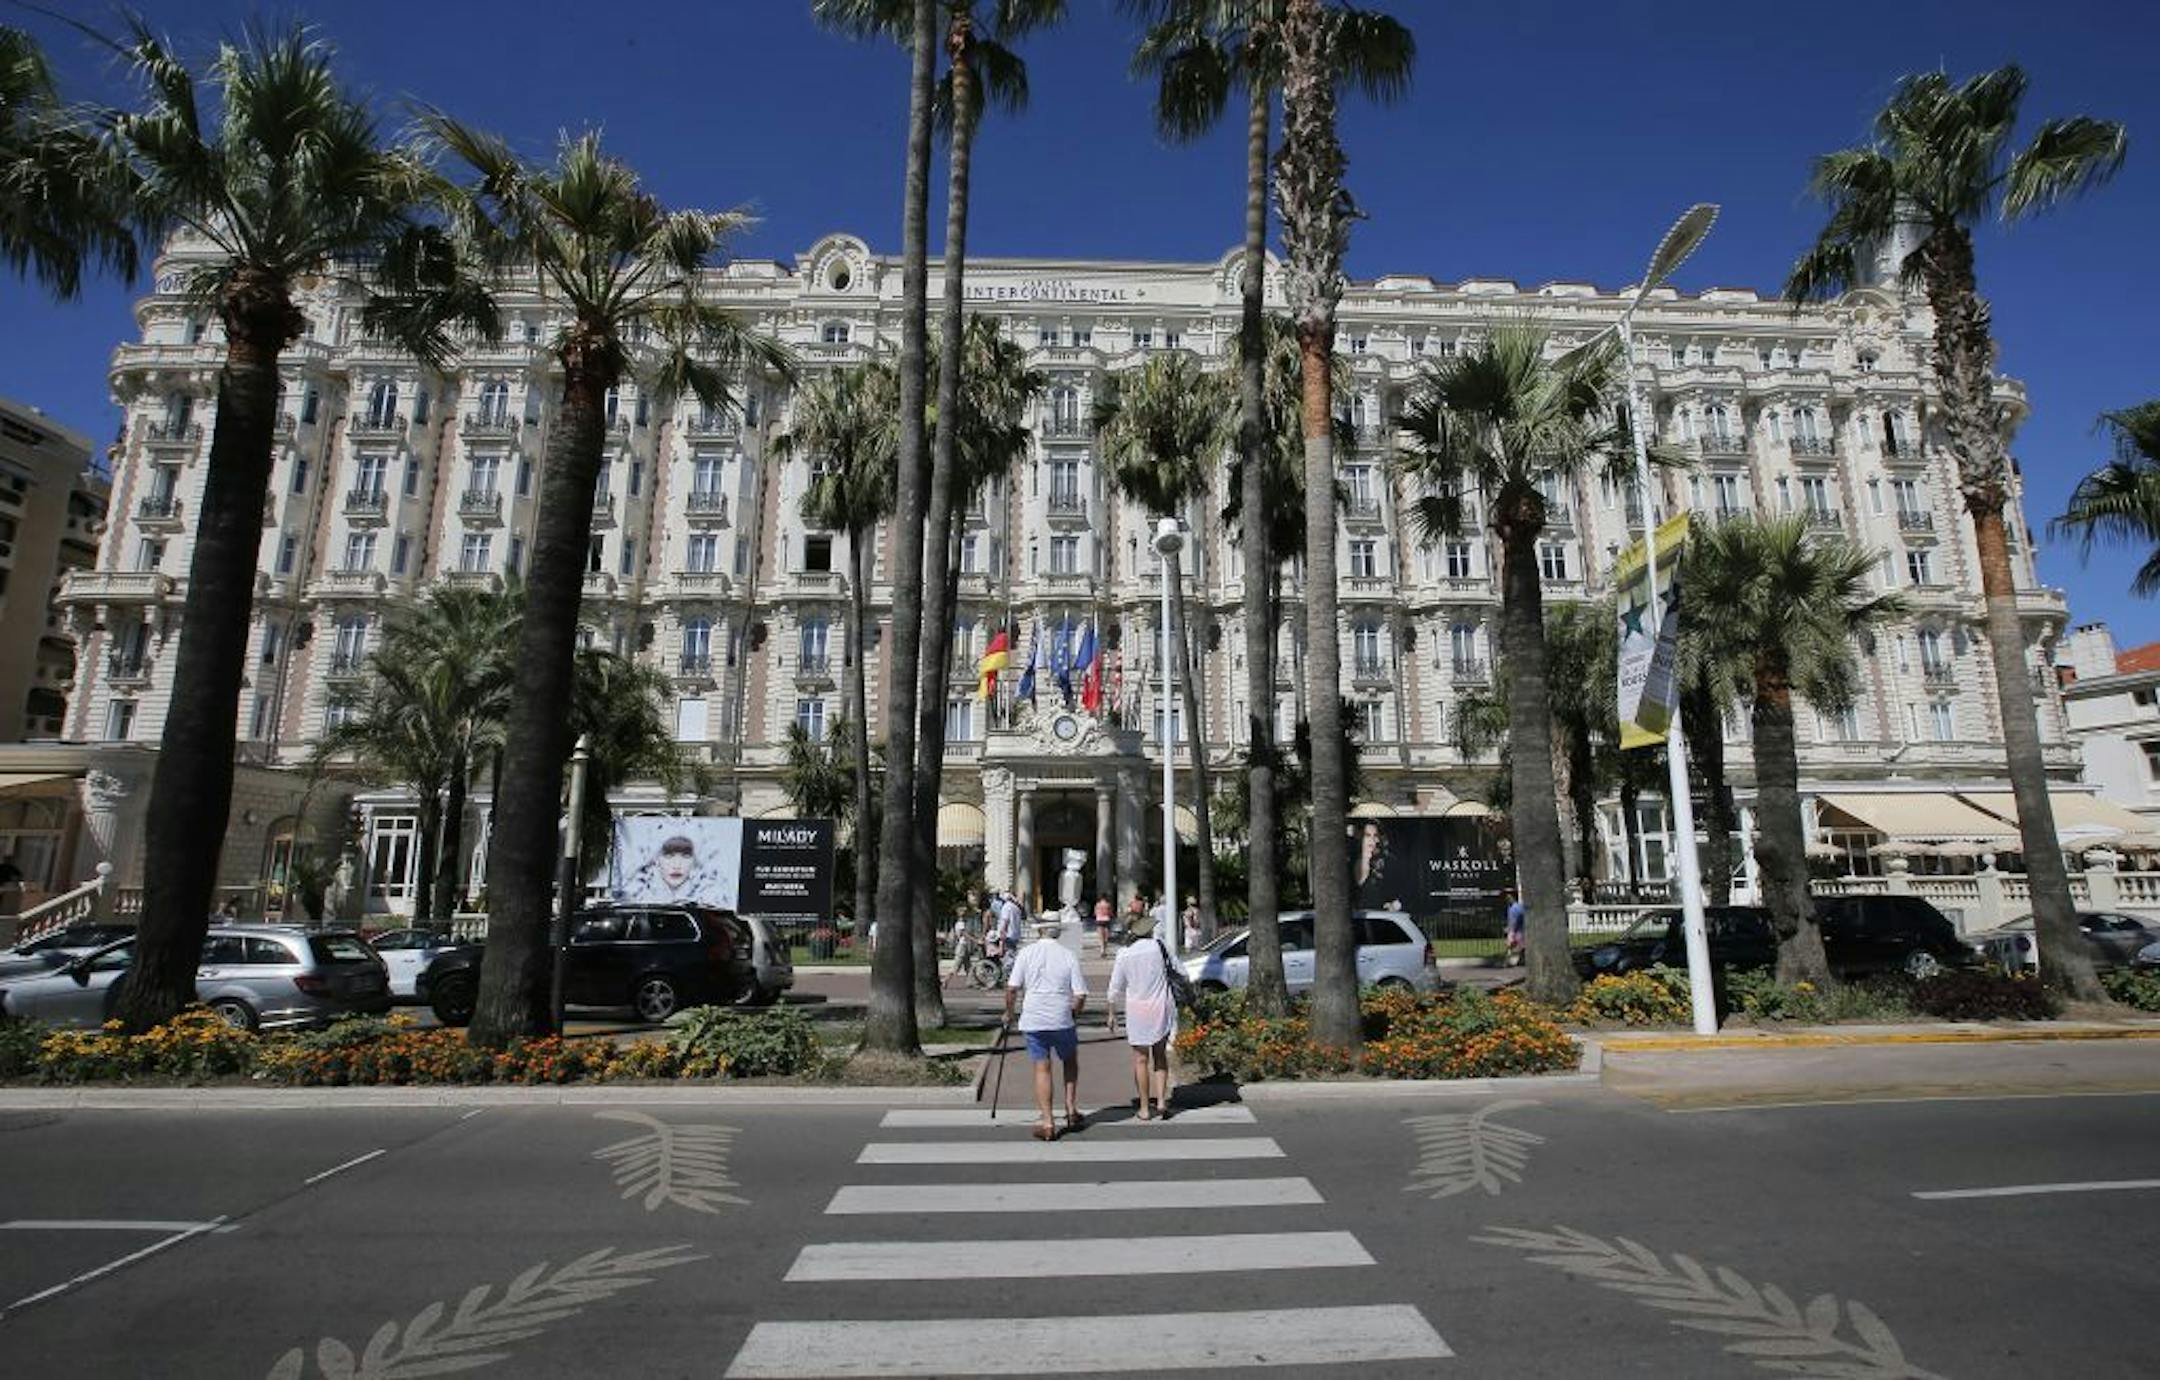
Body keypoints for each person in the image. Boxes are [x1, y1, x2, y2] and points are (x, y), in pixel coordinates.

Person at [1005, 914, 1088, 1141]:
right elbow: (1080, 994)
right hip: (1061, 1016)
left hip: (1034, 1017)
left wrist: (1009, 1012)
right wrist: (1074, 1013)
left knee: (1042, 1068)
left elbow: (1012, 989)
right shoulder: (1068, 955)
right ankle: (1070, 1108)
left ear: (1040, 930)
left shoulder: (1026, 953)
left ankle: (1048, 1121)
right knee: (1069, 1060)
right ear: (1057, 931)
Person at [1107, 907, 1178, 1121]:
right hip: (1161, 1006)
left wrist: (1111, 1013)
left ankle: (1145, 1108)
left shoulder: (1124, 954)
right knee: (1160, 1055)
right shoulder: (1159, 946)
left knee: (1140, 1060)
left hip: (1137, 1010)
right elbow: (1179, 970)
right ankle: (1162, 1101)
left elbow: (1115, 988)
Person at [1504, 889, 1526, 967]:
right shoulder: (1510, 908)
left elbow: (1515, 920)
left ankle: (1511, 961)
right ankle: (1513, 961)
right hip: (1515, 930)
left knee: (1514, 946)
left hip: (1517, 930)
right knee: (1513, 946)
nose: (1507, 898)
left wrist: (1511, 930)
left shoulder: (1516, 907)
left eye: (1509, 896)